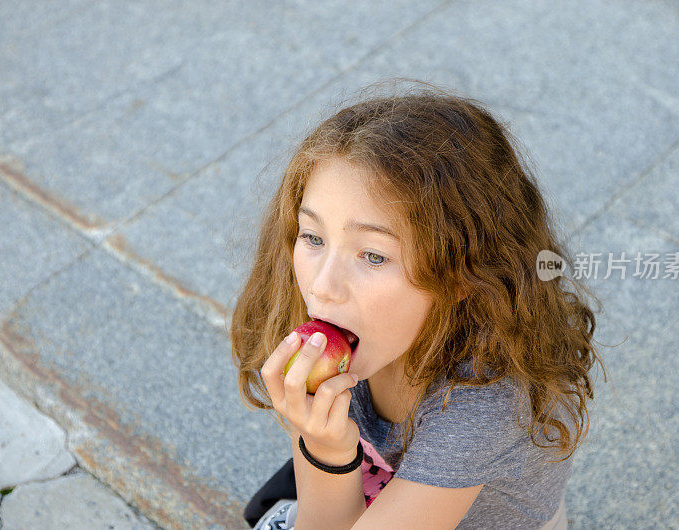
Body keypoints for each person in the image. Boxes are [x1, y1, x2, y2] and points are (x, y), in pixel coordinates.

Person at [231, 79, 607, 529]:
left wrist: (325, 452)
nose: (322, 286)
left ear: (463, 275)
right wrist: (317, 443)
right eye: (313, 237)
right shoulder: (356, 321)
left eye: (373, 255)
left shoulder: (484, 405)